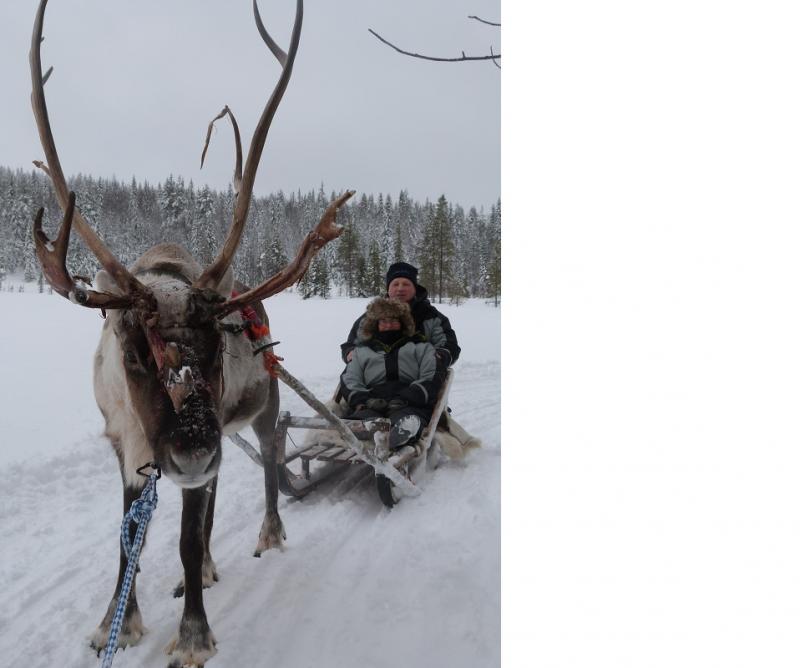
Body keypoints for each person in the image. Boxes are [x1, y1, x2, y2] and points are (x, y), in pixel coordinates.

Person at [340, 297, 441, 450]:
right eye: (383, 321)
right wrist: (365, 400)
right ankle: (366, 433)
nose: (389, 325)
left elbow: (431, 376)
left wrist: (407, 398)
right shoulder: (362, 351)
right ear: (375, 324)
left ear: (403, 323)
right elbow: (351, 378)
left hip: (409, 403)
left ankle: (399, 435)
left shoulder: (421, 347)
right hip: (372, 402)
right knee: (362, 420)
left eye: (394, 320)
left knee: (407, 420)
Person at [340, 262, 460, 380]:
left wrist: (440, 355)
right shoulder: (372, 315)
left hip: (419, 377)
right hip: (375, 378)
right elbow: (352, 344)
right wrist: (350, 352)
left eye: (406, 284)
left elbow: (449, 346)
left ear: (415, 288)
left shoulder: (431, 316)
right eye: (395, 284)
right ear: (388, 289)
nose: (400, 289)